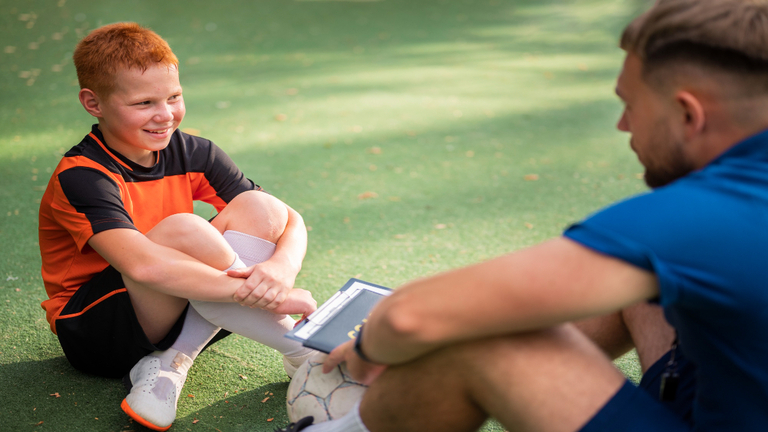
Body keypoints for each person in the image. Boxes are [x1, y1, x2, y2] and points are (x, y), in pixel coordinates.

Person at [276, 0, 768, 431]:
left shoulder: (701, 216)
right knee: (648, 290)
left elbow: (409, 318)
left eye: (630, 105)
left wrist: (368, 352)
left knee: (479, 333)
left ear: (688, 114)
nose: (622, 124)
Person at [37, 22, 318, 432]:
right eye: (144, 103)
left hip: (196, 303)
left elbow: (287, 217)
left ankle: (172, 360)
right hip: (99, 329)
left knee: (259, 206)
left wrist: (280, 273)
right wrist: (265, 298)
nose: (165, 115)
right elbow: (145, 268)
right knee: (184, 230)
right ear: (93, 103)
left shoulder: (192, 151)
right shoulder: (82, 176)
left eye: (174, 96)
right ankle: (305, 349)